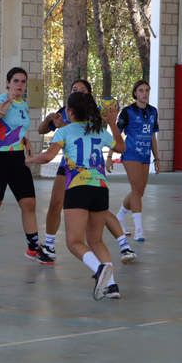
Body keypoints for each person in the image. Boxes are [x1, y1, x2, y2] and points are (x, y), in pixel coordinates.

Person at [27, 91, 126, 300]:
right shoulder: (99, 130)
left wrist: (30, 160)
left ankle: (99, 270)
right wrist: (112, 123)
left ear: (69, 112)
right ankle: (112, 285)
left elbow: (48, 157)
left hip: (78, 188)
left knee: (74, 242)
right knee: (96, 240)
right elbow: (121, 147)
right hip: (100, 189)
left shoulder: (65, 131)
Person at [38, 79, 137, 264]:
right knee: (56, 203)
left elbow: (90, 135)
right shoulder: (65, 111)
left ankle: (123, 244)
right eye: (75, 88)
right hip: (69, 165)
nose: (78, 91)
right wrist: (49, 120)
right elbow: (41, 130)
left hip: (89, 166)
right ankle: (49, 245)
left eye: (82, 90)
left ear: (89, 94)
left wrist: (63, 129)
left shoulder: (95, 114)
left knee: (98, 210)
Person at [0, 67, 52, 265]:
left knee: (28, 203)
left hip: (17, 159)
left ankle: (33, 247)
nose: (20, 85)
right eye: (16, 81)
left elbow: (17, 129)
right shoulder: (0, 100)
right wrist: (6, 102)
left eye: (23, 82)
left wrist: (26, 141)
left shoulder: (23, 105)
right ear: (8, 83)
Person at [114, 80, 159, 242]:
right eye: (141, 90)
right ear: (135, 93)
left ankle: (120, 216)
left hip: (145, 155)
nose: (144, 93)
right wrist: (109, 156)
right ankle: (139, 230)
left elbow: (153, 136)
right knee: (135, 189)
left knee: (139, 192)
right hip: (130, 153)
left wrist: (157, 157)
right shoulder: (127, 112)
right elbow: (116, 135)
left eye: (147, 90)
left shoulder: (153, 111)